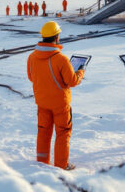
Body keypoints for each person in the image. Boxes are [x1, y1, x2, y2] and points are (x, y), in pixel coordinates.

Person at [27, 21, 85, 170]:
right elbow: (72, 81)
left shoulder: (32, 57)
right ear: (57, 37)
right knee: (63, 134)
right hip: (60, 104)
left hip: (42, 102)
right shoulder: (61, 59)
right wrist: (80, 72)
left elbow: (31, 77)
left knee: (43, 132)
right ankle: (60, 165)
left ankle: (41, 162)